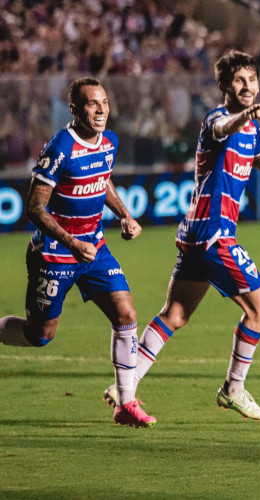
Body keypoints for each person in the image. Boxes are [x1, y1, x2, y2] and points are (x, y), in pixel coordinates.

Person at [101, 50, 260, 422]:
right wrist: (244, 115)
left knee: (175, 314)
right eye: (240, 80)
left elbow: (258, 154)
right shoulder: (217, 119)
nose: (247, 86)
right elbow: (223, 129)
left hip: (197, 233)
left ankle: (125, 383)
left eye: (252, 80)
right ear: (225, 86)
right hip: (215, 234)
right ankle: (233, 388)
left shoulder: (250, 127)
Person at [0, 77, 155, 428]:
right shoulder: (60, 148)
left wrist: (126, 215)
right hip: (55, 254)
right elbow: (35, 208)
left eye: (104, 102)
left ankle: (125, 403)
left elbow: (104, 180)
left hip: (95, 248)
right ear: (74, 109)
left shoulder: (109, 141)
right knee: (40, 335)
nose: (101, 110)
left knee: (126, 313)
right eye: (92, 104)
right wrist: (72, 243)